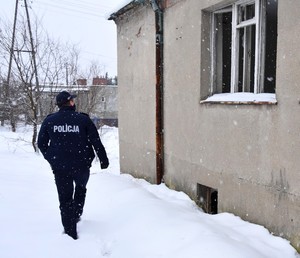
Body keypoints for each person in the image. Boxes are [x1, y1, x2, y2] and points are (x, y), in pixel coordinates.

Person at [37, 91, 109, 240]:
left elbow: (42, 144)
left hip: (61, 167)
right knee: (80, 189)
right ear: (69, 102)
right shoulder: (82, 120)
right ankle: (75, 215)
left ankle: (70, 230)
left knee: (65, 198)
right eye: (72, 100)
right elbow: (95, 141)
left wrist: (52, 158)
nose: (74, 103)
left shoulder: (50, 120)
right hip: (81, 165)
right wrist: (103, 160)